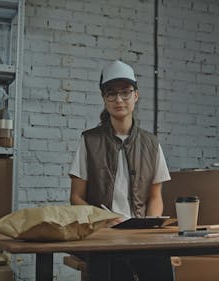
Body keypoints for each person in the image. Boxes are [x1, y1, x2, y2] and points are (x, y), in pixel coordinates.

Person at [68, 60, 173, 281]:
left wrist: (149, 228)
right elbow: (76, 197)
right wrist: (102, 219)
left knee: (160, 265)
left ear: (136, 95)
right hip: (101, 235)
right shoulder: (89, 141)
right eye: (111, 93)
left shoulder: (151, 144)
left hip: (141, 236)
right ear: (103, 98)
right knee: (116, 270)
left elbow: (155, 197)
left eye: (125, 92)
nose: (119, 100)